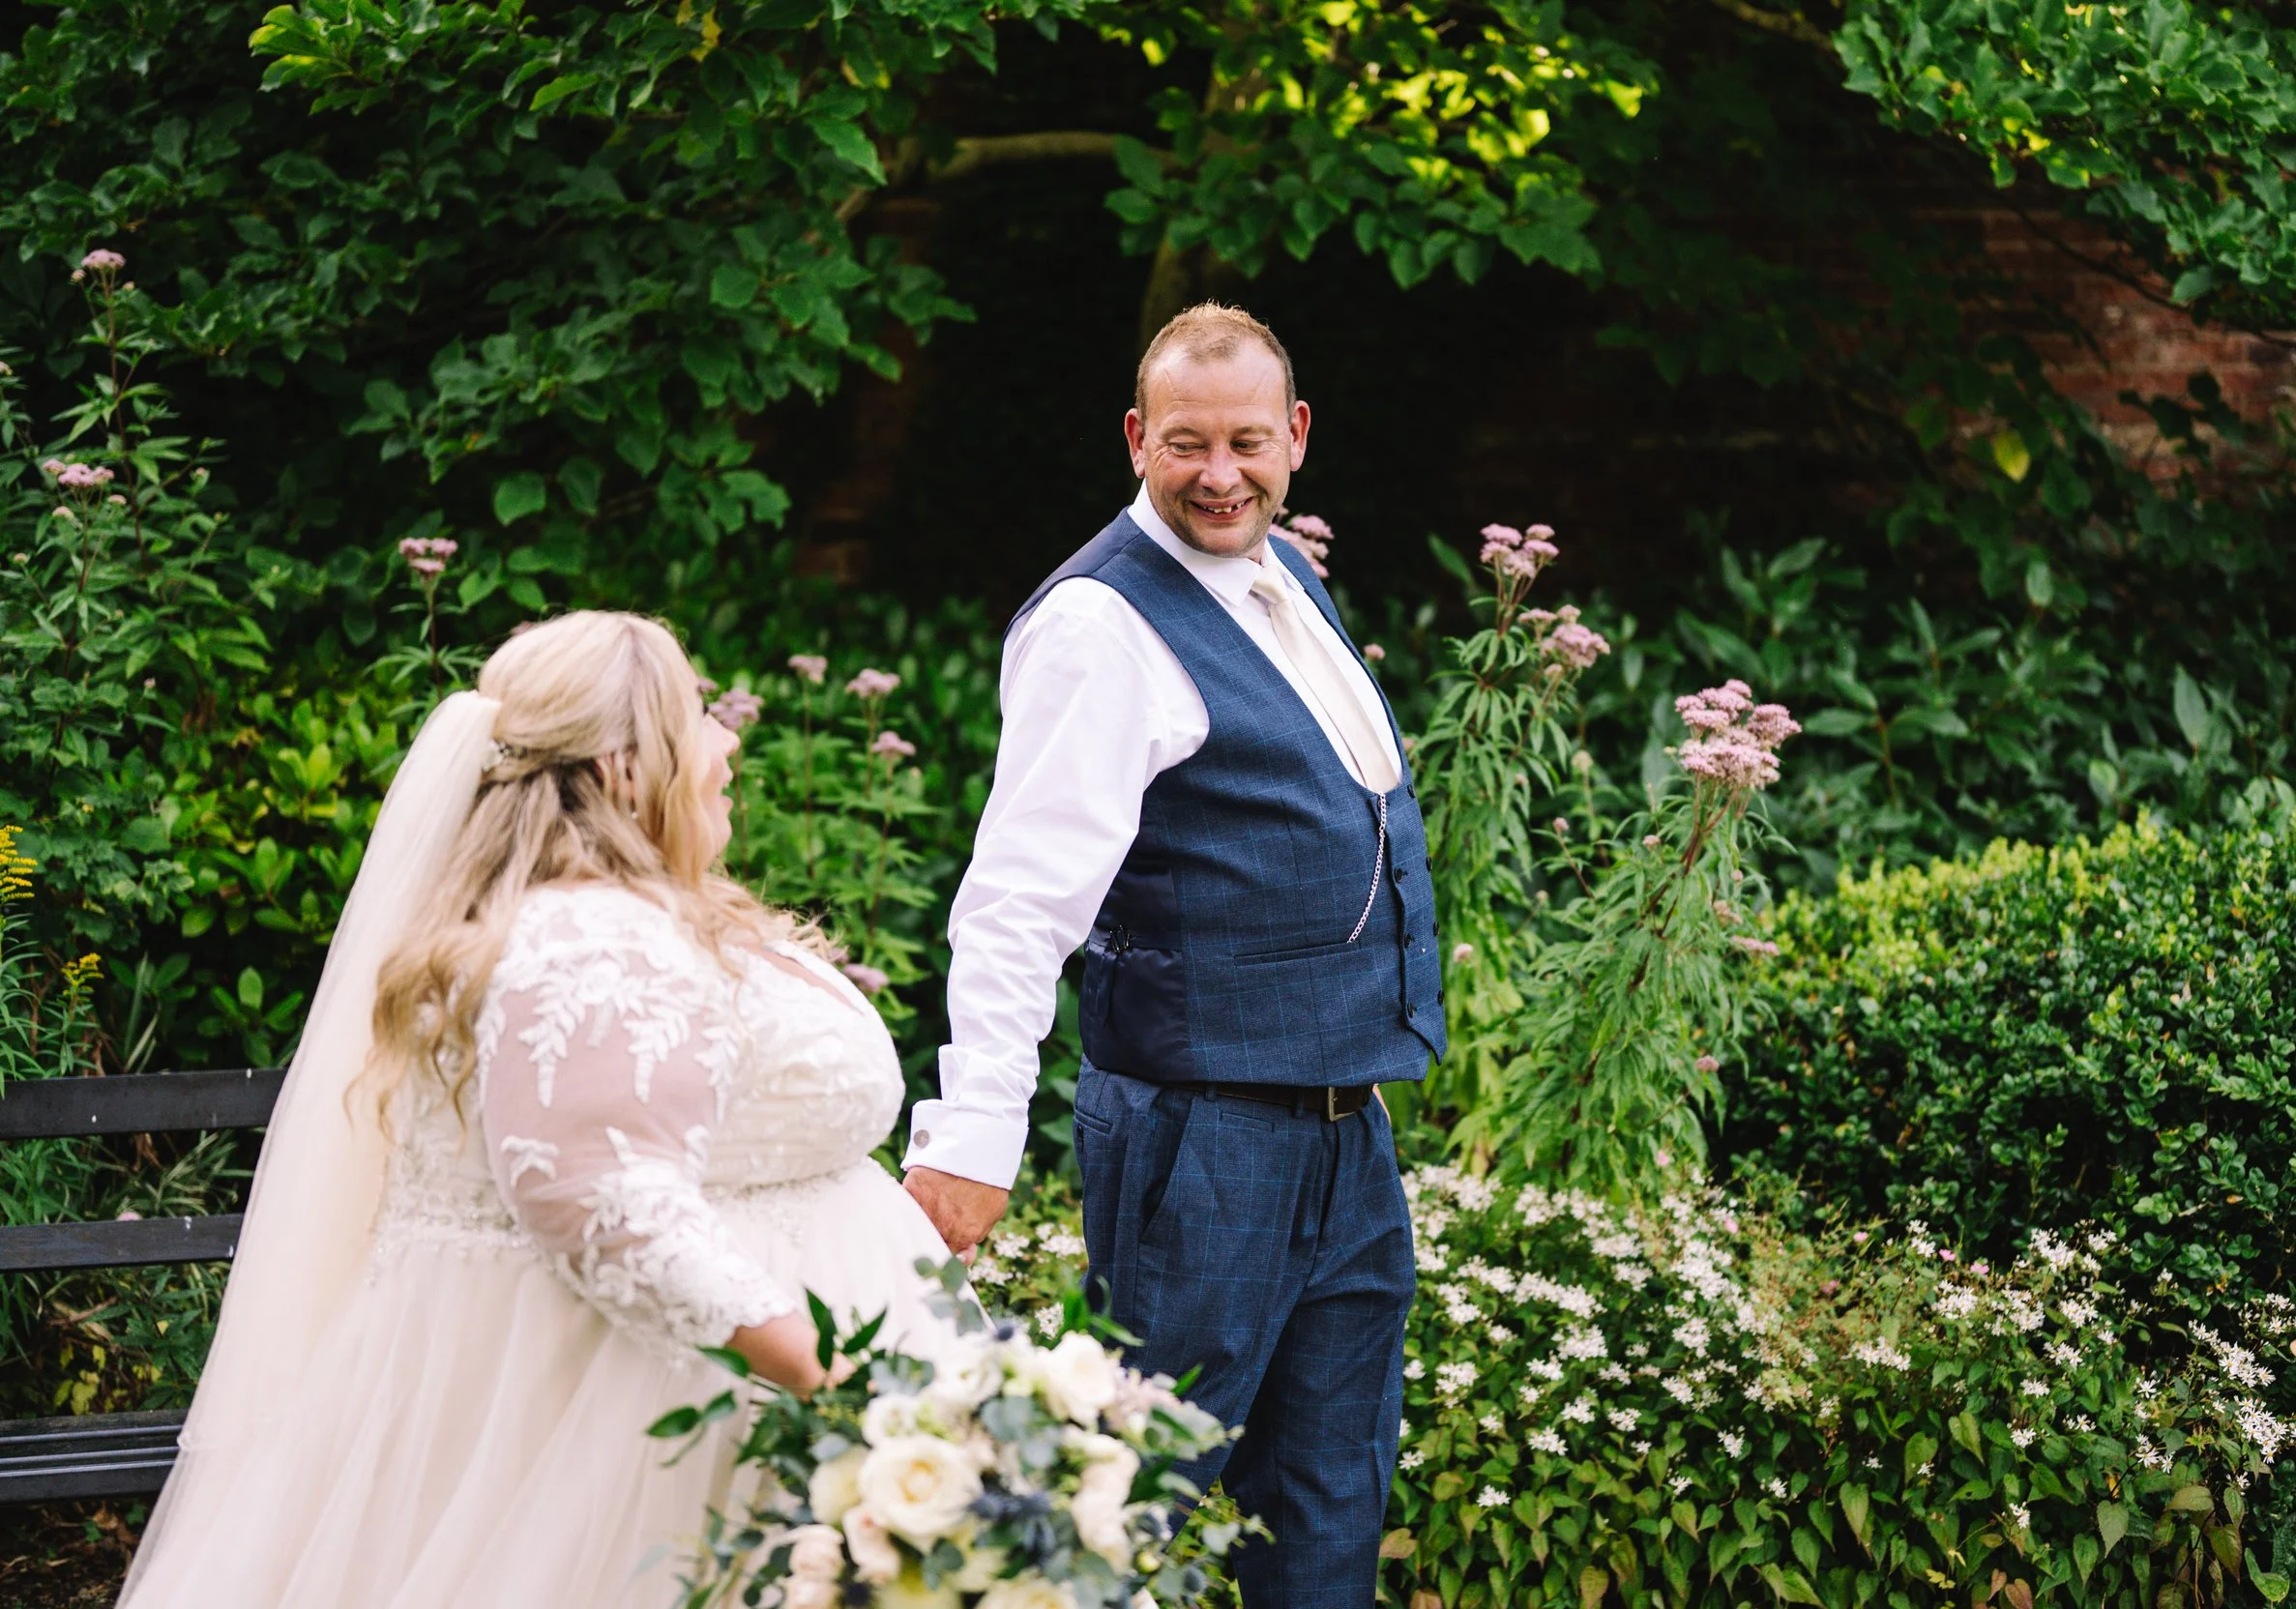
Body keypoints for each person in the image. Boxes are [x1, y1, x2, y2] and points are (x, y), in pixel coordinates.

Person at [120, 612, 953, 1608]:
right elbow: (602, 1198)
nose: (727, 743)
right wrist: (837, 1383)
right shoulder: (587, 938)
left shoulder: (593, 918)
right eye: (695, 716)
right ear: (621, 767)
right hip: (637, 1419)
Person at [903, 303, 1445, 1605]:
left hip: (1345, 1133)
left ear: (1295, 435)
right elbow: (1017, 902)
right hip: (1200, 1141)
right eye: (1186, 443)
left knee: (1329, 1509)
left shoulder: (1284, 577)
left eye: (1247, 443)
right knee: (1125, 1509)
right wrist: (972, 1137)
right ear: (1136, 438)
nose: (1219, 475)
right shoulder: (1099, 627)